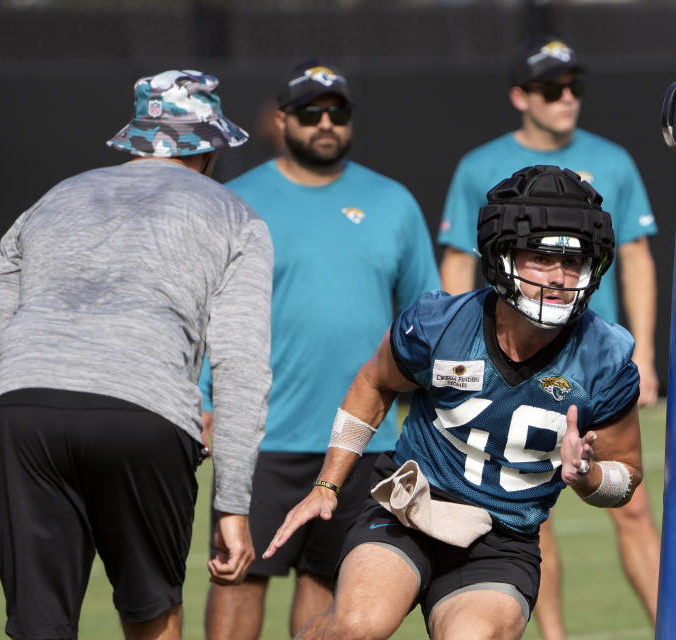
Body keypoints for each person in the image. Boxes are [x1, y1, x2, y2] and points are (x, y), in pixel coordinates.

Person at [0, 69, 273, 640]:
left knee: (38, 627)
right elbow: (239, 363)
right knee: (151, 615)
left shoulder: (53, 198)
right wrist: (233, 506)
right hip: (144, 412)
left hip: (21, 409)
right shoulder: (237, 216)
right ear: (211, 145)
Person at [265, 165, 646, 640]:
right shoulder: (439, 325)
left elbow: (626, 473)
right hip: (409, 507)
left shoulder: (605, 359)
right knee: (356, 626)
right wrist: (328, 483)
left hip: (501, 540)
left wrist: (587, 476)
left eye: (573, 262)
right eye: (542, 257)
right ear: (502, 254)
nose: (559, 277)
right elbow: (373, 383)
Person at [202, 59, 440, 640]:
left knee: (331, 583)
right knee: (239, 575)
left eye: (338, 111)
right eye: (311, 113)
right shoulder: (233, 201)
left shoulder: (392, 203)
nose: (326, 123)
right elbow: (204, 311)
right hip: (260, 433)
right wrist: (203, 400)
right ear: (282, 120)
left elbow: (426, 321)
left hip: (362, 436)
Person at [437, 35, 661, 633]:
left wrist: (649, 354)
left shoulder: (611, 159)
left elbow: (636, 257)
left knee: (633, 507)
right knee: (531, 515)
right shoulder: (479, 165)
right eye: (550, 88)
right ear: (520, 96)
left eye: (574, 86)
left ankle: (675, 627)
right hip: (509, 365)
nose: (567, 98)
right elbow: (459, 265)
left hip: (589, 368)